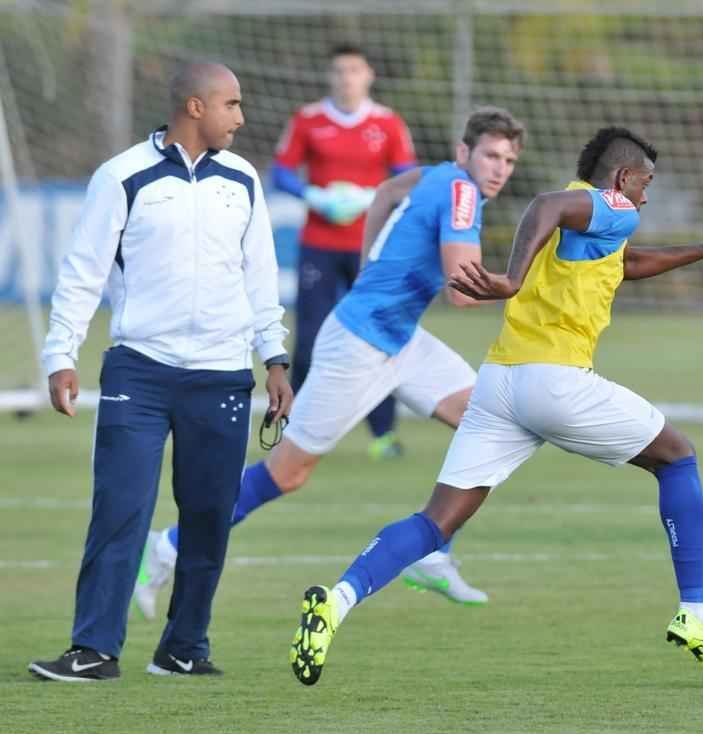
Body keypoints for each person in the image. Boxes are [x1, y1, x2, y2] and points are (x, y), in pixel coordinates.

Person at [288, 127, 703, 686]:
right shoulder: (610, 207)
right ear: (623, 177)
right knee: (678, 458)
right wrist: (510, 280)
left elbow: (623, 264)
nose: (646, 197)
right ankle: (695, 616)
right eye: (645, 184)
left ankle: (336, 601)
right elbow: (545, 205)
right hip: (556, 383)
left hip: (500, 384)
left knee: (435, 521)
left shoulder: (592, 219)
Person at [133, 107, 525, 621]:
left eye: (509, 160)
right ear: (463, 152)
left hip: (400, 338)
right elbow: (462, 292)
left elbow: (385, 194)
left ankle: (433, 550)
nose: (499, 168)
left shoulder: (435, 176)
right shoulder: (461, 193)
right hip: (359, 346)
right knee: (286, 473)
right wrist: (530, 283)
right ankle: (167, 546)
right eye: (491, 156)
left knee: (489, 423)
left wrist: (367, 269)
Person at [28, 62, 293, 682]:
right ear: (195, 107)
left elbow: (260, 275)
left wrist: (275, 358)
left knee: (209, 517)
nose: (241, 117)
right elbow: (83, 270)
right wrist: (60, 355)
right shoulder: (121, 176)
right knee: (120, 509)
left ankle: (183, 648)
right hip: (139, 373)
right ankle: (94, 649)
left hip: (223, 375)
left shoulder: (242, 179)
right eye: (231, 104)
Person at [273, 43, 417, 461]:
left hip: (370, 248)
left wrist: (369, 197)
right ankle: (290, 428)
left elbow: (408, 177)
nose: (346, 78)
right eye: (339, 70)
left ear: (368, 75)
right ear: (329, 76)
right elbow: (281, 171)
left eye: (354, 69)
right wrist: (314, 196)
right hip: (318, 245)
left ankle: (384, 435)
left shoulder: (388, 123)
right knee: (309, 339)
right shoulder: (308, 119)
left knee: (376, 336)